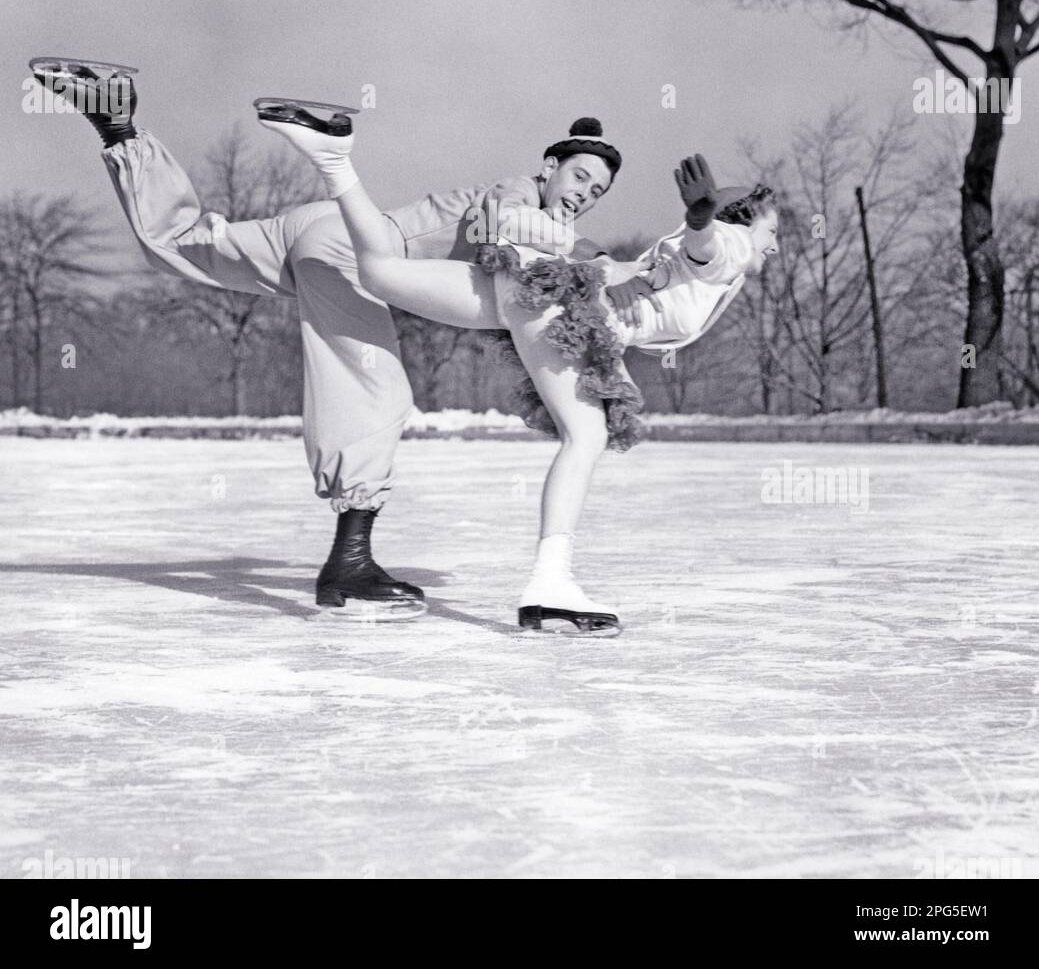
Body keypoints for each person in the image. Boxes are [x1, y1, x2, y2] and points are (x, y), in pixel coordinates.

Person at [27, 58, 622, 619]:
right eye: (579, 176)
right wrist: (578, 249)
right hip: (351, 251)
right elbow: (504, 222)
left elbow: (583, 264)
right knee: (375, 392)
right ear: (549, 166)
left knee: (188, 243)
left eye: (597, 193)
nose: (583, 194)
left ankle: (119, 126)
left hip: (316, 229)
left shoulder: (553, 228)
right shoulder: (518, 194)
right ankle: (350, 564)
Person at [259, 113, 780, 636]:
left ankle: (333, 158)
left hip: (526, 284)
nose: (775, 245)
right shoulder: (731, 245)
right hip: (557, 303)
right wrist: (701, 223)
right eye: (772, 231)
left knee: (378, 271)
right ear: (740, 218)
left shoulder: (696, 248)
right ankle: (550, 586)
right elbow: (707, 252)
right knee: (586, 435)